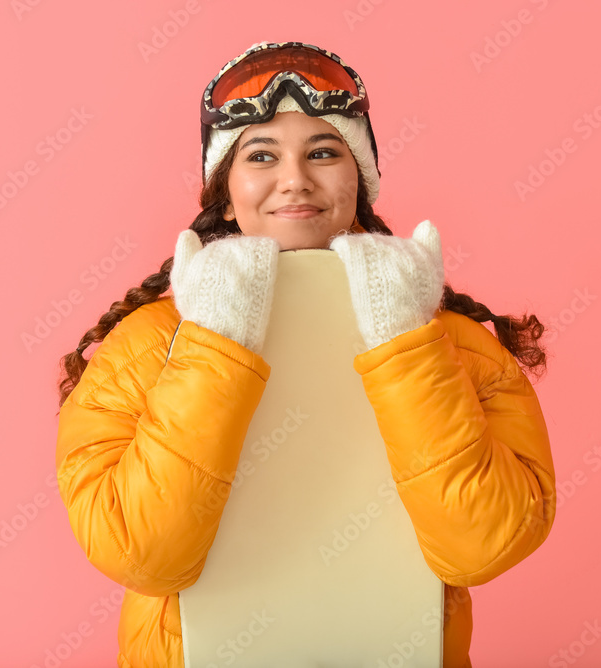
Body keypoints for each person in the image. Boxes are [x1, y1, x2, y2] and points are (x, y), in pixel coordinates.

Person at [54, 41, 556, 668]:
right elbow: (143, 554)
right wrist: (214, 340)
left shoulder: (450, 343)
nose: (295, 179)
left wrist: (405, 340)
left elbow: (483, 546)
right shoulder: (144, 348)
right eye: (261, 155)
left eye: (323, 152)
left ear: (360, 181)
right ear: (225, 189)